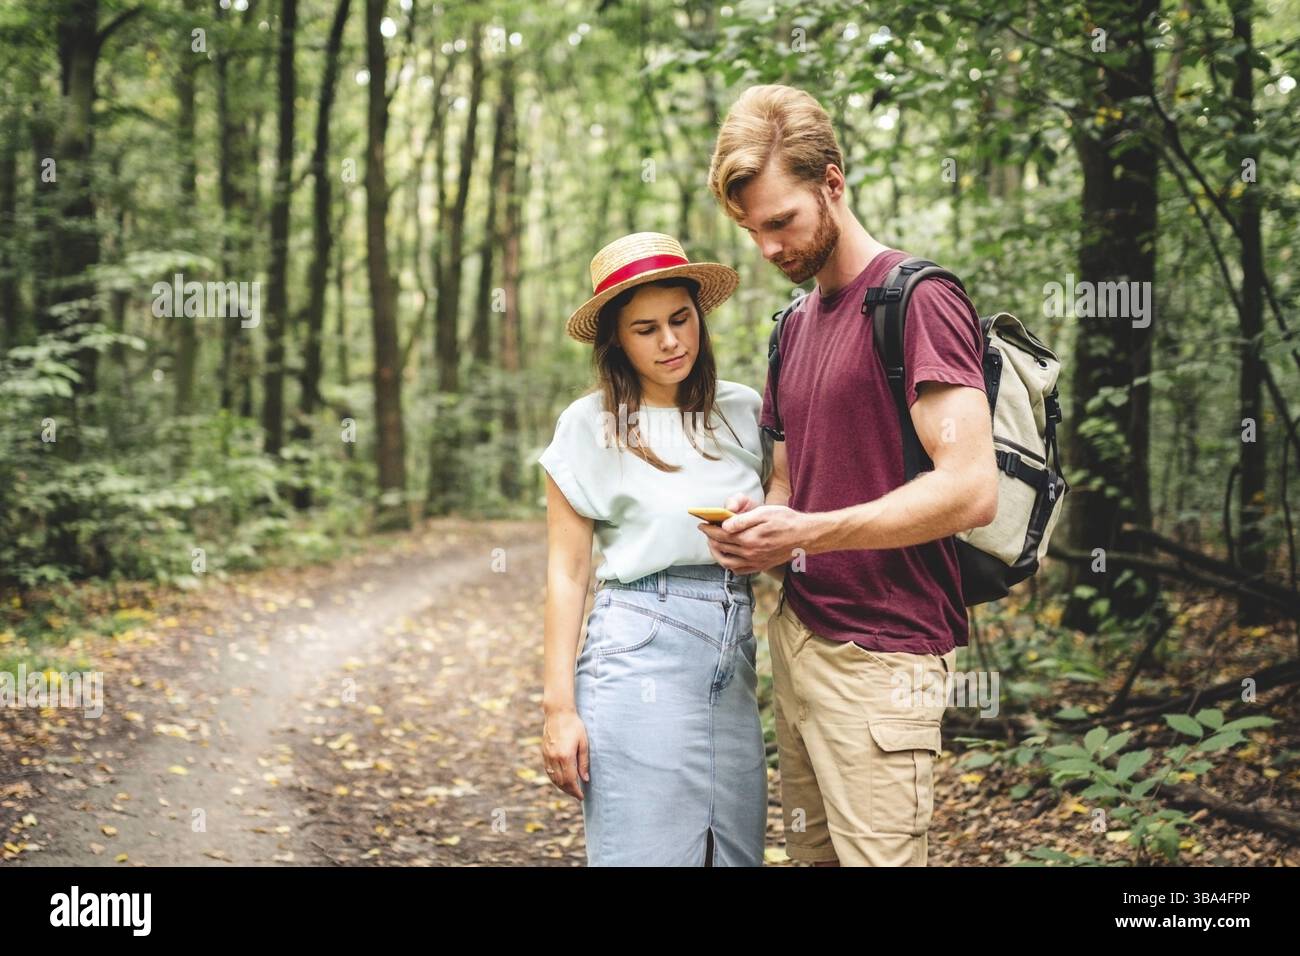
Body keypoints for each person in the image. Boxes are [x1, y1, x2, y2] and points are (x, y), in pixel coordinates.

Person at [700, 84, 1000, 866]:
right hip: (799, 642)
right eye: (751, 231)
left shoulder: (919, 300)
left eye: (780, 222)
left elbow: (971, 487)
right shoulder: (792, 327)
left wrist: (812, 531)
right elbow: (790, 486)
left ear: (832, 182)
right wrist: (760, 527)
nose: (767, 249)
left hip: (885, 657)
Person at [537, 231, 769, 866]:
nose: (671, 341)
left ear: (700, 315)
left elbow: (789, 521)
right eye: (645, 329)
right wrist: (559, 708)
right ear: (617, 339)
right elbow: (567, 572)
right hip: (638, 649)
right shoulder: (588, 425)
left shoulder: (745, 411)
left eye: (680, 319)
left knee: (733, 857)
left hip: (734, 654)